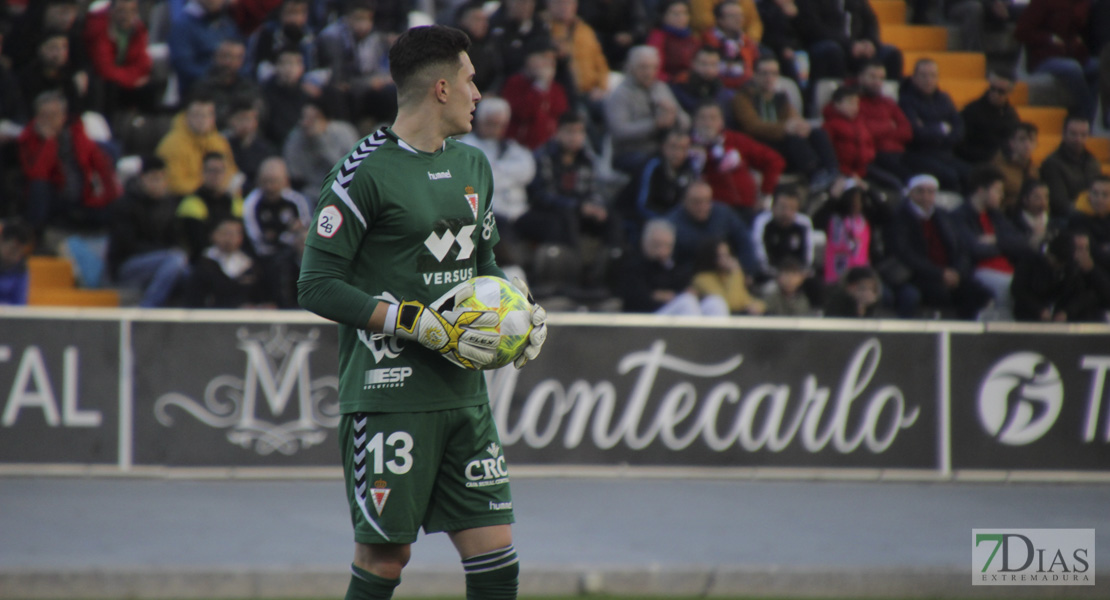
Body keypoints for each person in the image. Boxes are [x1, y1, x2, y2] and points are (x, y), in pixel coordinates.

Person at [296, 25, 547, 600]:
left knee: (496, 557)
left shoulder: (474, 167)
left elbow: (484, 264)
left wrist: (519, 311)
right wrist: (415, 322)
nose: (478, 93)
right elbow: (316, 286)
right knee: (386, 558)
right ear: (440, 88)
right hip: (390, 399)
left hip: (464, 397)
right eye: (470, 79)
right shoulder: (361, 173)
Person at [887, 174, 993, 319]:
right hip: (920, 275)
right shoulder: (901, 217)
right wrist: (939, 273)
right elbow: (905, 253)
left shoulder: (943, 216)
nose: (925, 196)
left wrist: (957, 272)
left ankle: (965, 335)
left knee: (980, 293)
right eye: (920, 191)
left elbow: (961, 248)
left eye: (930, 192)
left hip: (949, 273)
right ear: (911, 193)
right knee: (937, 293)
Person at [18, 91, 120, 233]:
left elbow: (100, 164)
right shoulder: (28, 137)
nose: (49, 120)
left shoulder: (76, 133)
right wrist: (48, 141)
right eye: (44, 115)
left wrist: (111, 198)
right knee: (39, 186)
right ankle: (34, 234)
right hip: (54, 195)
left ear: (64, 116)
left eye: (54, 115)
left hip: (83, 194)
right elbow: (37, 173)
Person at [733, 54, 839, 187]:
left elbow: (794, 118)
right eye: (764, 73)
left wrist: (801, 126)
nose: (769, 78)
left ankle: (832, 171)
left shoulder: (780, 97)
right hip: (761, 144)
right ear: (754, 74)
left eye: (774, 73)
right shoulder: (744, 97)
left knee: (817, 133)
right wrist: (785, 128)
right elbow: (752, 126)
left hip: (782, 141)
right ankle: (814, 175)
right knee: (794, 139)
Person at [106, 155, 191, 308]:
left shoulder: (168, 205)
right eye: (154, 178)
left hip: (163, 262)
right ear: (142, 179)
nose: (159, 184)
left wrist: (174, 251)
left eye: (162, 179)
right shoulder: (125, 204)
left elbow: (177, 239)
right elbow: (127, 244)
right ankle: (147, 309)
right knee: (175, 260)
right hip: (127, 265)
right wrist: (166, 252)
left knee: (187, 272)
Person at [951, 165, 1030, 319]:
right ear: (981, 190)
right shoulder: (959, 216)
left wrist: (996, 241)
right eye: (997, 190)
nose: (1002, 195)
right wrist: (1005, 246)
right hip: (979, 271)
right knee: (1011, 288)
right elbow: (974, 249)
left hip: (1007, 270)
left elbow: (1022, 243)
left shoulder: (996, 216)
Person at [458, 97, 537, 247]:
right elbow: (479, 178)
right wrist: (508, 174)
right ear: (479, 121)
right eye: (490, 124)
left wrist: (496, 170)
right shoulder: (466, 145)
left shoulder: (510, 146)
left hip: (518, 211)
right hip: (490, 212)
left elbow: (528, 170)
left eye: (499, 125)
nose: (495, 129)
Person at [689, 101, 784, 223]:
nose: (708, 123)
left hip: (746, 207)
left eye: (713, 118)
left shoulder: (735, 140)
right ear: (694, 121)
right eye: (703, 118)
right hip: (711, 211)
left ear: (721, 121)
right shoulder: (688, 145)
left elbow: (774, 161)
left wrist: (765, 194)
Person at [604, 45, 690, 173]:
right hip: (630, 152)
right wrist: (654, 125)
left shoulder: (661, 88)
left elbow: (686, 122)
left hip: (664, 149)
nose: (649, 72)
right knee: (654, 164)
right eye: (643, 67)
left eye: (653, 67)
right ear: (631, 67)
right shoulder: (620, 94)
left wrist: (674, 115)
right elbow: (619, 131)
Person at [314, 0, 396, 126]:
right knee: (338, 94)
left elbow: (379, 72)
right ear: (347, 18)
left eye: (367, 19)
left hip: (362, 87)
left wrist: (378, 80)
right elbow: (339, 81)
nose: (364, 24)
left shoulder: (375, 38)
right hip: (338, 88)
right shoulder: (332, 37)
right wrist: (368, 83)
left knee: (391, 91)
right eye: (358, 19)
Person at [620, 218, 726, 314]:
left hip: (673, 312)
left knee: (715, 302)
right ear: (645, 242)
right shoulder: (633, 264)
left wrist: (670, 295)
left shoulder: (674, 266)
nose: (662, 250)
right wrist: (662, 296)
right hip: (647, 318)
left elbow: (685, 289)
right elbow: (637, 298)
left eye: (667, 245)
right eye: (656, 245)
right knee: (686, 302)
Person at [1014, 0, 1098, 121]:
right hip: (1044, 59)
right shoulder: (1042, 3)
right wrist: (1049, 39)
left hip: (1073, 55)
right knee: (1072, 68)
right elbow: (1021, 32)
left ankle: (1094, 115)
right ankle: (1085, 114)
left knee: (1098, 67)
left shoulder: (1081, 4)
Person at [898, 58, 969, 193]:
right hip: (919, 155)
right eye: (923, 75)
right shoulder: (906, 100)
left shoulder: (944, 99)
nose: (928, 80)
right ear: (914, 77)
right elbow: (916, 133)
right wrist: (942, 129)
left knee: (972, 175)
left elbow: (958, 127)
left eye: (932, 75)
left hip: (945, 154)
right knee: (950, 177)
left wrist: (932, 130)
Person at [1011, 230, 1110, 322]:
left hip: (1072, 317)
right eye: (1078, 249)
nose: (1081, 254)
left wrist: (1092, 272)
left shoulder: (1087, 266)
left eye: (1086, 248)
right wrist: (1039, 310)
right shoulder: (1031, 261)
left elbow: (1094, 295)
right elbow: (1019, 289)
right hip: (1032, 315)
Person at [665, 178, 758, 275]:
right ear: (684, 201)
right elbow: (668, 261)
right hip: (690, 277)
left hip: (726, 272)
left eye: (707, 201)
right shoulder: (671, 224)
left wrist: (746, 270)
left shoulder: (723, 214)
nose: (702, 206)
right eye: (696, 202)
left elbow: (745, 241)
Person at [82, 0, 157, 119]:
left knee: (150, 86)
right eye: (121, 11)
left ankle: (144, 127)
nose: (126, 16)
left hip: (124, 78)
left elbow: (143, 63)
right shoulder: (100, 28)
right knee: (108, 87)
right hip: (104, 81)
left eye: (131, 11)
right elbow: (104, 68)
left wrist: (131, 78)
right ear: (111, 11)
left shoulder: (138, 29)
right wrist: (132, 80)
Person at [156, 93, 240, 197]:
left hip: (217, 197)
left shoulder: (219, 142)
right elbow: (174, 184)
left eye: (207, 115)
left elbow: (231, 172)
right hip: (184, 200)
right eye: (197, 115)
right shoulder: (172, 145)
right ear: (187, 116)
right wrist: (207, 188)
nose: (202, 120)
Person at [622, 128, 699, 240]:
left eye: (682, 148)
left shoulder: (689, 169)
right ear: (663, 146)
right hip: (640, 222)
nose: (677, 153)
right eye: (673, 147)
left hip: (674, 221)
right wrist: (669, 221)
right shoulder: (652, 166)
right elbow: (642, 205)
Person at [282, 99, 359, 203]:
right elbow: (295, 174)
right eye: (304, 117)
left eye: (313, 118)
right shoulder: (296, 138)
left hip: (342, 187)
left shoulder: (343, 132)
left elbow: (348, 169)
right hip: (311, 191)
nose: (306, 123)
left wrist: (320, 142)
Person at [186, 216, 271, 308]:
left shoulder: (250, 264)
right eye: (225, 233)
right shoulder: (203, 263)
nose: (230, 238)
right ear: (212, 235)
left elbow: (261, 296)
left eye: (236, 234)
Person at [500, 41, 569, 150]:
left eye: (552, 59)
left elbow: (560, 114)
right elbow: (522, 113)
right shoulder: (515, 83)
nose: (548, 63)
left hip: (548, 149)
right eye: (543, 57)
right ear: (529, 59)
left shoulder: (556, 88)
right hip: (519, 147)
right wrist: (538, 88)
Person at [176, 151, 243, 261]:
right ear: (202, 172)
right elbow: (197, 243)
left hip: (233, 257)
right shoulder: (191, 203)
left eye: (220, 171)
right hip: (203, 259)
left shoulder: (234, 201)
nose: (216, 176)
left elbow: (242, 235)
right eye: (211, 171)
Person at [855, 60, 912, 186]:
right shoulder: (855, 103)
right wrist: (889, 126)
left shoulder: (888, 102)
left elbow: (907, 131)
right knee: (909, 178)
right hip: (876, 155)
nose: (877, 82)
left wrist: (881, 130)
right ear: (860, 77)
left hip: (900, 153)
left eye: (881, 78)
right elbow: (865, 131)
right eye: (872, 77)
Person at [168, 0, 241, 97]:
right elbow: (184, 66)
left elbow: (243, 56)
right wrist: (217, 78)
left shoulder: (227, 23)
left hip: (232, 87)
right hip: (200, 92)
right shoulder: (183, 26)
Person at [191, 38, 260, 130]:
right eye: (224, 56)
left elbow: (260, 112)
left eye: (234, 58)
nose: (228, 62)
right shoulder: (202, 87)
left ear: (241, 61)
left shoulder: (249, 87)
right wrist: (232, 120)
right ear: (216, 57)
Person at [1040, 115, 1100, 219]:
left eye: (1083, 135)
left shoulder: (1092, 162)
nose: (1078, 139)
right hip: (1066, 219)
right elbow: (1059, 203)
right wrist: (1089, 213)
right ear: (1064, 134)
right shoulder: (1052, 164)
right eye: (1073, 134)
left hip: (1093, 215)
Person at [955, 71, 1020, 166]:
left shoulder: (1011, 116)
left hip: (1002, 162)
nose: (995, 94)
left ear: (1009, 93)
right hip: (976, 162)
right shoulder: (972, 111)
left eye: (1001, 91)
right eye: (992, 89)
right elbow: (961, 145)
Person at [690, 237, 765, 314]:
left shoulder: (729, 275)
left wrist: (758, 306)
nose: (726, 259)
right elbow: (730, 304)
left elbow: (744, 298)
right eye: (721, 256)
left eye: (728, 255)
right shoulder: (702, 279)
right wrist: (735, 273)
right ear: (711, 257)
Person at [246, 0, 316, 82]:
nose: (294, 19)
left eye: (300, 13)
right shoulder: (269, 32)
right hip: (275, 76)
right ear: (281, 13)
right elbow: (260, 62)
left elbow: (310, 65)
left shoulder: (308, 35)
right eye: (290, 13)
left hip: (301, 79)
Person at [699, 0, 760, 90]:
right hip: (717, 88)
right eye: (732, 16)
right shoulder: (707, 40)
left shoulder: (748, 42)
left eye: (740, 15)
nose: (738, 19)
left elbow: (754, 68)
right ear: (720, 19)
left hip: (745, 87)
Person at [225, 100, 278, 196]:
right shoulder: (222, 145)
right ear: (231, 120)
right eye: (240, 119)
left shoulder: (265, 149)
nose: (245, 124)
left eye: (249, 119)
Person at [669, 44, 735, 115]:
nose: (708, 69)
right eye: (703, 64)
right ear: (693, 63)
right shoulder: (679, 86)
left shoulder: (723, 94)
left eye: (713, 64)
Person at [646, 0, 700, 83]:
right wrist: (672, 79)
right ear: (663, 16)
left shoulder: (692, 39)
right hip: (666, 83)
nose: (681, 17)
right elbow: (654, 69)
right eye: (675, 14)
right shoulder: (658, 37)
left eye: (685, 13)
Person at [991, 122, 1038, 211]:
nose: (1027, 145)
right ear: (1012, 143)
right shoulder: (998, 167)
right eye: (1022, 139)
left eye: (1031, 140)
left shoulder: (1034, 169)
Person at [1068, 175, 1110, 273]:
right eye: (1095, 193)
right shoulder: (1078, 218)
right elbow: (1093, 251)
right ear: (1089, 195)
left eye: (1105, 195)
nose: (1099, 199)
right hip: (1091, 272)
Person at [1008, 178, 1055, 252]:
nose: (1043, 203)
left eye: (1046, 197)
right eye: (1037, 198)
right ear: (1025, 199)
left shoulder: (1050, 222)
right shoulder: (1015, 222)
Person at [0, 218, 32, 305]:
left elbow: (20, 304)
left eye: (20, 252)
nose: (16, 256)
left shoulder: (21, 270)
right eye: (13, 249)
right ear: (1, 241)